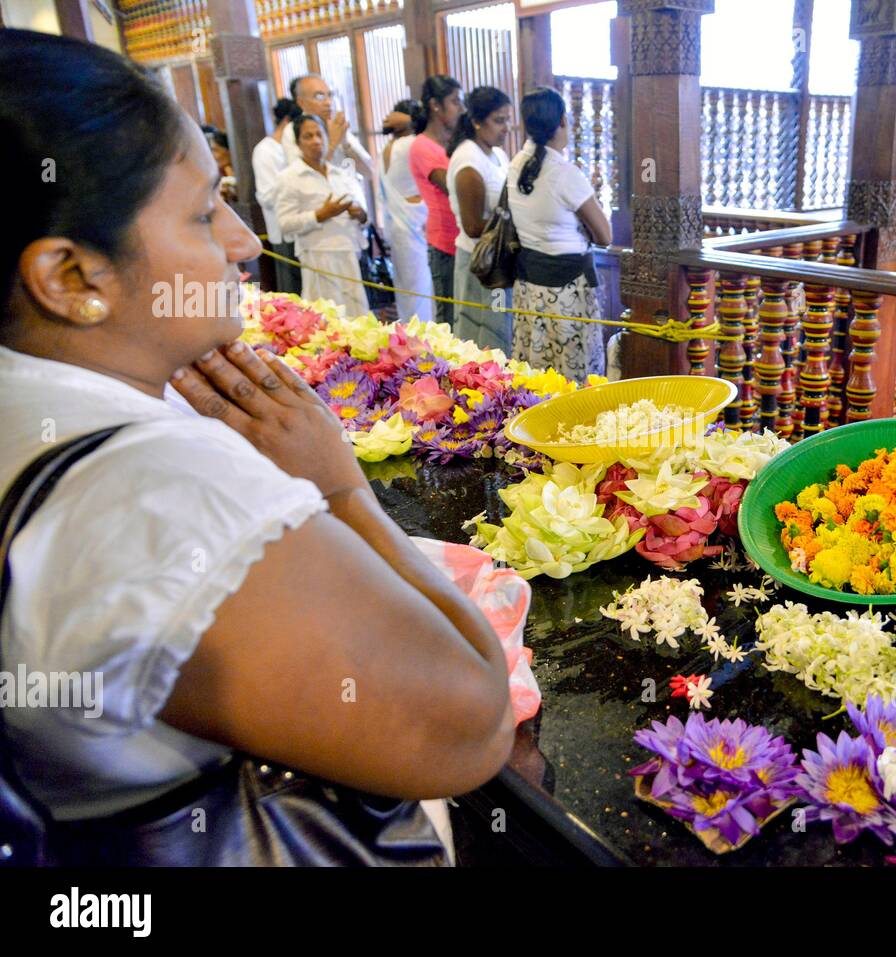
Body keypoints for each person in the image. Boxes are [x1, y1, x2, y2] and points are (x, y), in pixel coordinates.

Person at [0, 31, 512, 845]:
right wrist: (337, 486)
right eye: (204, 213)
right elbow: (471, 723)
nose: (242, 241)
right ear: (71, 277)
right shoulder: (151, 491)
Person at [507, 87, 612, 381]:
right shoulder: (564, 173)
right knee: (575, 371)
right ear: (563, 121)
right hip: (567, 288)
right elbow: (605, 235)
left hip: (529, 283)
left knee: (536, 369)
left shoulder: (515, 165)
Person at [275, 113, 370, 317]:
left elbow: (364, 213)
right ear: (298, 143)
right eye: (308, 136)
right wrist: (320, 215)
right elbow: (284, 223)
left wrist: (360, 214)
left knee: (357, 315)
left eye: (320, 134)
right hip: (317, 256)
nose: (316, 141)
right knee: (326, 319)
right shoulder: (289, 177)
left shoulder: (340, 174)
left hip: (349, 253)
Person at [447, 86, 513, 353]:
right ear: (476, 121)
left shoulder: (496, 153)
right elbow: (473, 226)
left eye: (508, 119)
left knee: (499, 333)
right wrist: (515, 226)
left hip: (498, 260)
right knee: (481, 339)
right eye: (499, 120)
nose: (506, 127)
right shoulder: (468, 160)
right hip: (479, 264)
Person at [408, 75, 463, 327]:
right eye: (454, 102)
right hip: (443, 242)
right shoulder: (422, 146)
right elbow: (452, 185)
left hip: (462, 240)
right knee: (448, 315)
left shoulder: (452, 144)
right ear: (435, 105)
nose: (461, 108)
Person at [379, 98, 433, 324]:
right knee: (421, 292)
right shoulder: (411, 144)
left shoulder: (388, 147)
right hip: (415, 225)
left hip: (399, 228)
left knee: (407, 290)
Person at [281, 74, 373, 184]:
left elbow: (369, 172)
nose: (328, 102)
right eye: (319, 97)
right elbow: (304, 179)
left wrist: (345, 144)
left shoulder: (335, 125)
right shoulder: (292, 131)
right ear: (301, 103)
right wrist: (332, 143)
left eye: (330, 95)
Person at [252, 97, 302, 296]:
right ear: (287, 122)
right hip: (283, 230)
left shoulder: (295, 149)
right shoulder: (265, 150)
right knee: (291, 289)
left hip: (302, 228)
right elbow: (266, 196)